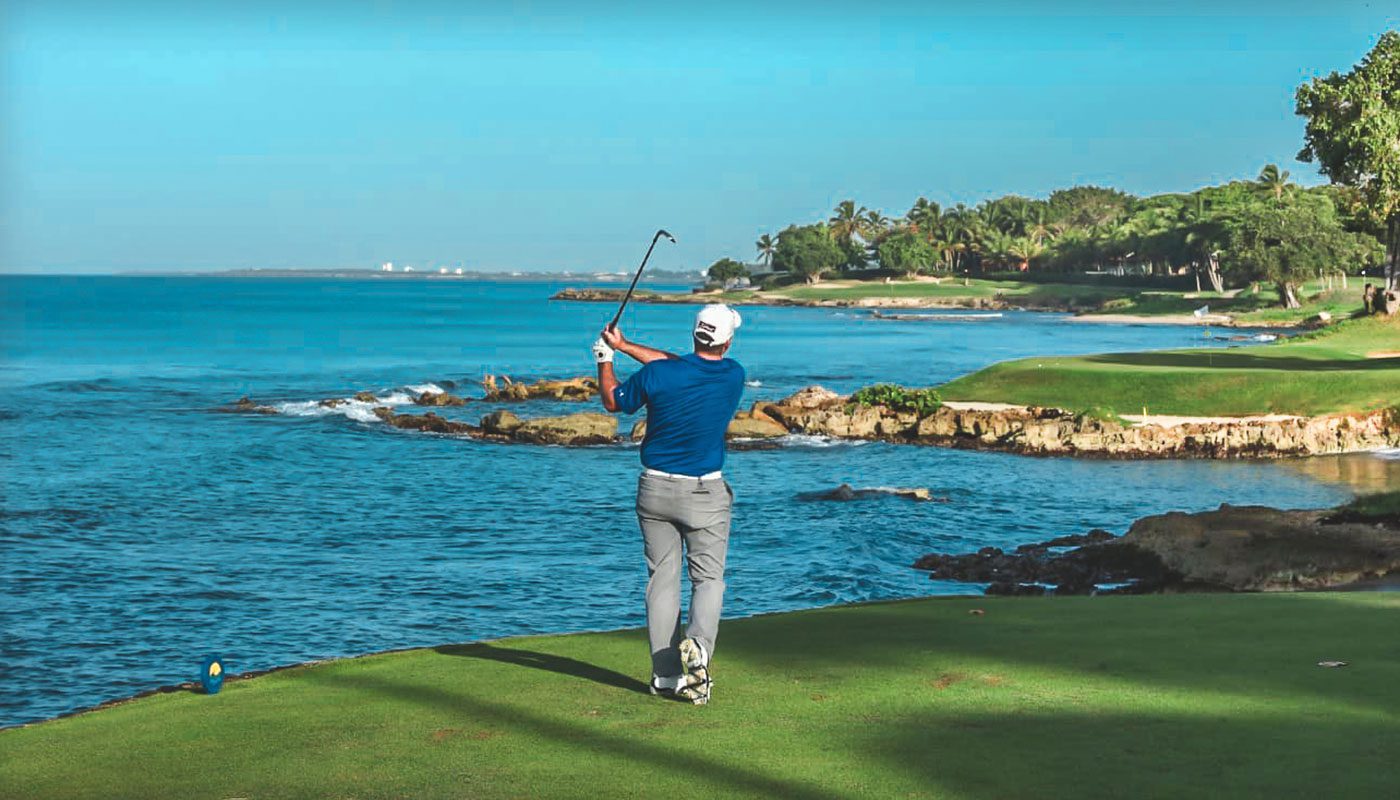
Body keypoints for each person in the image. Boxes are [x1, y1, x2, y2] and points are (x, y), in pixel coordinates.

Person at [591, 304, 746, 705]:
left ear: (695, 333)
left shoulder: (661, 375)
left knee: (662, 579)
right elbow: (682, 365)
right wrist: (623, 346)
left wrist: (606, 359)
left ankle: (664, 676)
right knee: (708, 580)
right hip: (705, 494)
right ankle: (699, 648)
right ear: (727, 341)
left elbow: (612, 400)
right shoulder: (734, 375)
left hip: (655, 490)